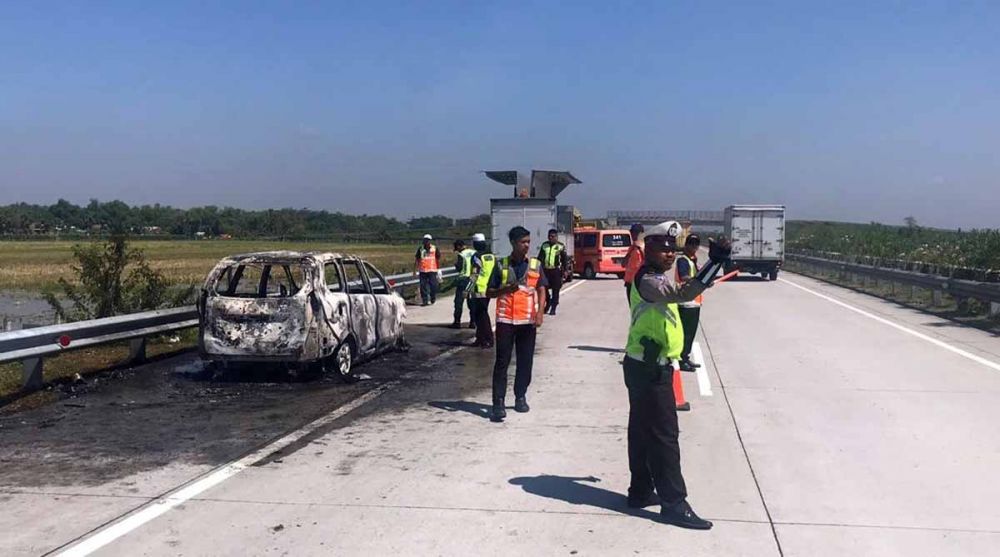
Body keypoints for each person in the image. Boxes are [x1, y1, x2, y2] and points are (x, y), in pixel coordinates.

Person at [623, 220, 730, 529]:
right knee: (665, 437)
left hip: (643, 366)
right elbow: (684, 291)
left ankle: (640, 491)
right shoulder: (650, 282)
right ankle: (674, 503)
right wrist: (716, 263)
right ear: (649, 250)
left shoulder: (653, 277)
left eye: (673, 250)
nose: (669, 255)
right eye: (662, 249)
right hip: (649, 370)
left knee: (642, 431)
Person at [487, 226, 547, 422]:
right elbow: (489, 292)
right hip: (505, 321)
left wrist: (540, 314)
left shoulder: (535, 265)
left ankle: (520, 396)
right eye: (523, 242)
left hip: (527, 321)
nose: (527, 245)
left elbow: (541, 290)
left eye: (528, 241)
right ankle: (498, 403)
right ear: (513, 243)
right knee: (502, 362)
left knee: (525, 362)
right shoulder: (500, 265)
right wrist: (504, 289)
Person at [675, 235, 703, 371]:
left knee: (690, 334)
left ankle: (685, 357)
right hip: (686, 302)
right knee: (686, 333)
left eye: (696, 244)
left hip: (694, 302)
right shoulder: (683, 260)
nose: (694, 247)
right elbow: (683, 276)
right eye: (691, 244)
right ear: (686, 245)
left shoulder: (692, 260)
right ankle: (681, 359)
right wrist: (698, 280)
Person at [469, 233, 495, 348]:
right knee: (480, 313)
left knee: (481, 315)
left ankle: (488, 339)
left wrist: (468, 289)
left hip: (479, 288)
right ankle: (480, 338)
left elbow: (475, 273)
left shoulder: (477, 256)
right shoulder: (491, 256)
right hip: (488, 288)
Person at [537, 229, 567, 315]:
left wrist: (565, 270)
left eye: (553, 236)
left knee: (555, 289)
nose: (551, 238)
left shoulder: (560, 246)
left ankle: (553, 307)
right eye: (549, 236)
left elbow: (564, 259)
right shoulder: (544, 245)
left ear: (556, 237)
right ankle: (548, 302)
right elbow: (540, 258)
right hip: (545, 270)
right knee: (544, 288)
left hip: (556, 271)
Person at [451, 240, 477, 329]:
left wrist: (456, 265)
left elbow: (460, 267)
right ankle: (473, 322)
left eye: (456, 248)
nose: (457, 250)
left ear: (459, 246)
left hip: (463, 280)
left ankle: (457, 322)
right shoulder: (474, 252)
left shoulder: (461, 255)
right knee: (472, 302)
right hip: (472, 279)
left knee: (458, 302)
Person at [413, 234, 441, 306]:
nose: (425, 241)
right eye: (425, 240)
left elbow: (437, 259)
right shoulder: (420, 249)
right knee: (423, 286)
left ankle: (433, 297)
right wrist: (414, 270)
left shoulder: (434, 248)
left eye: (427, 240)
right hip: (423, 270)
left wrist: (438, 269)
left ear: (430, 241)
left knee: (433, 285)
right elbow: (417, 259)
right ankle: (425, 300)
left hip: (432, 270)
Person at [622, 223, 645, 302]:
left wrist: (640, 249)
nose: (633, 235)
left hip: (640, 282)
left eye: (635, 233)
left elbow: (647, 261)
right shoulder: (631, 248)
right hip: (630, 282)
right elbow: (623, 264)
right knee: (632, 308)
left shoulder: (645, 247)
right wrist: (630, 251)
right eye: (632, 233)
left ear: (641, 234)